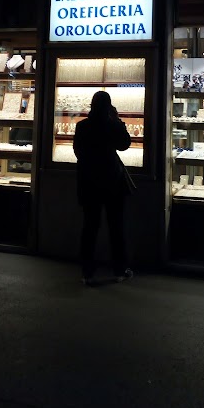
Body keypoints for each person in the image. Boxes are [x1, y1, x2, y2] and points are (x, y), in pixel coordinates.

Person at [73, 90, 133, 285]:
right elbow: (125, 144)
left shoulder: (82, 126)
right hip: (112, 181)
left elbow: (78, 151)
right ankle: (119, 270)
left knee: (90, 227)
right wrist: (117, 120)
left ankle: (87, 272)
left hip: (89, 182)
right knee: (116, 227)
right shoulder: (112, 125)